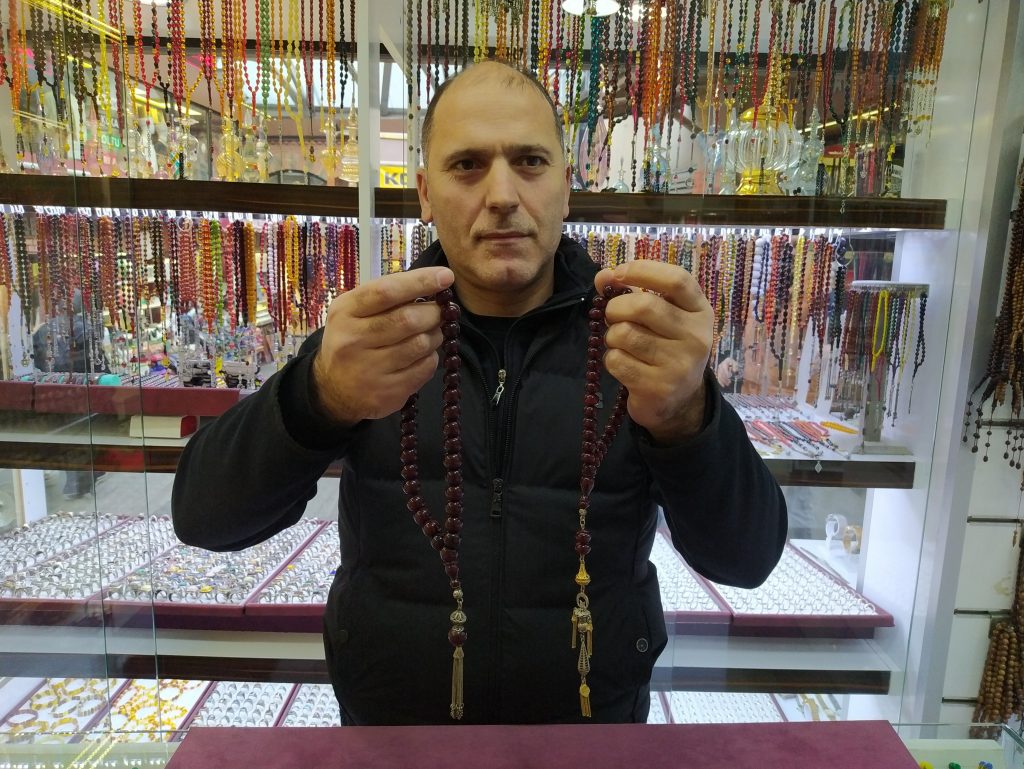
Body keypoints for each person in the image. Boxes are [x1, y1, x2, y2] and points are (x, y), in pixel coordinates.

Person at [172, 59, 787, 725]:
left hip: (593, 734)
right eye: (467, 165)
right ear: (425, 194)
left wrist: (688, 416)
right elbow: (205, 517)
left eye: (530, 162)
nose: (501, 194)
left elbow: (746, 559)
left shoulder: (636, 346)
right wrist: (316, 396)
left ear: (566, 188)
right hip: (395, 735)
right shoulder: (372, 341)